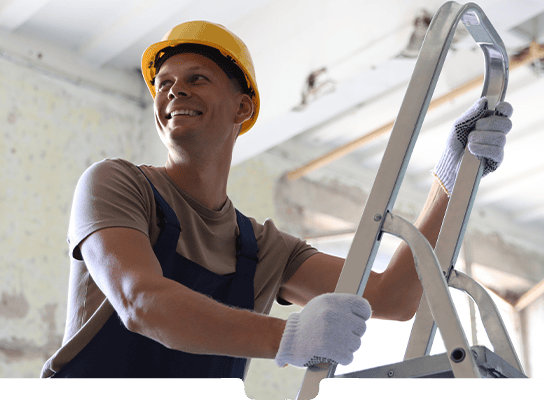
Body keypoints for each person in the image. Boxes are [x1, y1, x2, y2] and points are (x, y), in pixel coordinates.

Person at [40, 20, 513, 379]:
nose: (174, 89)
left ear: (242, 107)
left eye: (197, 78)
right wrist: (290, 338)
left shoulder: (262, 249)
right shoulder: (117, 185)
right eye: (163, 82)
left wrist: (452, 175)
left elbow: (395, 297)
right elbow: (142, 302)